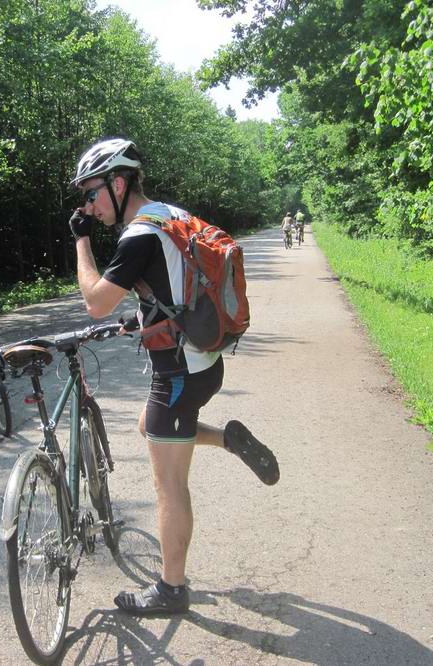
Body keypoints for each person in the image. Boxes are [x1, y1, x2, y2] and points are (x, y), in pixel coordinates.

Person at [67, 138, 279, 616]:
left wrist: (80, 241)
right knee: (150, 425)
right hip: (202, 360)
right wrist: (143, 319)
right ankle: (228, 439)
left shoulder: (139, 234)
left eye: (93, 192)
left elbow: (95, 300)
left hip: (181, 372)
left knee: (168, 485)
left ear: (118, 184)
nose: (90, 205)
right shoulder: (169, 214)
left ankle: (171, 589)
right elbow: (174, 284)